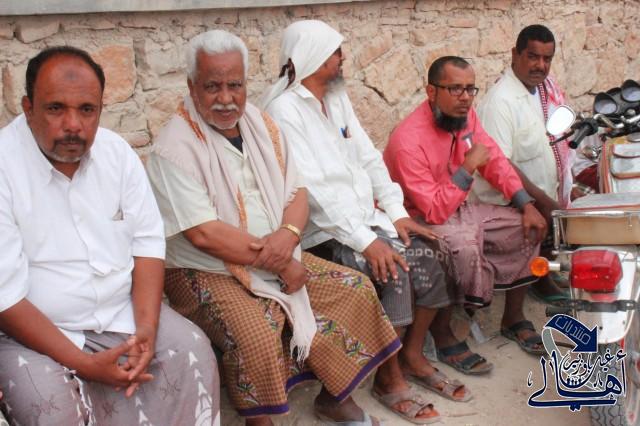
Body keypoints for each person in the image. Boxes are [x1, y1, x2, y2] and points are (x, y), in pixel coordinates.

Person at [145, 30, 436, 426]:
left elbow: (297, 191)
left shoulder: (259, 123)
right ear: (192, 86)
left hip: (282, 250)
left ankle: (336, 396)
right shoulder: (174, 146)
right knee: (257, 329)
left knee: (353, 289)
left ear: (245, 84)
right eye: (212, 86)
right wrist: (283, 263)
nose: (226, 98)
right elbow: (204, 235)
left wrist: (290, 236)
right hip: (205, 269)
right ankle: (260, 421)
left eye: (235, 85)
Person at [262, 19, 480, 416]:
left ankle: (411, 356)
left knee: (430, 251)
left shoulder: (336, 98)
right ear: (311, 57)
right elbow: (314, 192)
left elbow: (367, 157)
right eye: (334, 52)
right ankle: (388, 379)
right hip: (324, 233)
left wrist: (396, 214)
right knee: (393, 269)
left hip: (365, 219)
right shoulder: (283, 111)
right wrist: (367, 242)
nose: (342, 58)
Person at [0, 47, 219, 425]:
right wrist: (84, 364)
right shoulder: (4, 166)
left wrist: (147, 330)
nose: (73, 125)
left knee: (192, 350)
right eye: (55, 109)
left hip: (123, 312)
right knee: (50, 409)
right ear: (28, 108)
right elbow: (5, 296)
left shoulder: (117, 154)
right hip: (34, 333)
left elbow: (147, 243)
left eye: (87, 110)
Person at [384, 56, 549, 356]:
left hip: (457, 208)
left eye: (470, 89)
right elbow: (433, 210)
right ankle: (444, 333)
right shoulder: (407, 141)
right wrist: (468, 167)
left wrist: (525, 203)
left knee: (526, 226)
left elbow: (494, 159)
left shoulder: (465, 116)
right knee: (464, 246)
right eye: (455, 89)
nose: (465, 98)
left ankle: (513, 317)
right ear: (431, 92)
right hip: (419, 219)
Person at [475, 24, 573, 299]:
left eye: (547, 59)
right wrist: (540, 199)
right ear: (514, 54)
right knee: (539, 217)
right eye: (532, 56)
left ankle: (543, 275)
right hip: (505, 200)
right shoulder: (501, 102)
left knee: (559, 215)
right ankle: (528, 294)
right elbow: (499, 164)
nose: (540, 65)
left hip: (537, 191)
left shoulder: (538, 91)